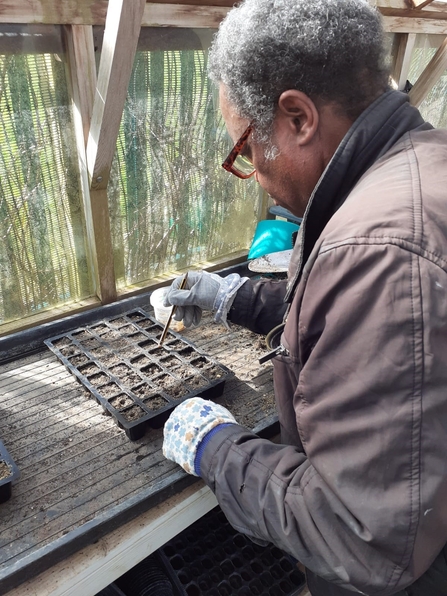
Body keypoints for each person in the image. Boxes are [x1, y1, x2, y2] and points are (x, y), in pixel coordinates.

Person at [161, 0, 447, 594]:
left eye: (245, 151)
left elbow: (358, 535)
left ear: (297, 117)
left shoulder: (380, 251)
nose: (255, 174)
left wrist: (217, 448)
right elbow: (341, 314)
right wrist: (232, 298)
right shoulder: (420, 166)